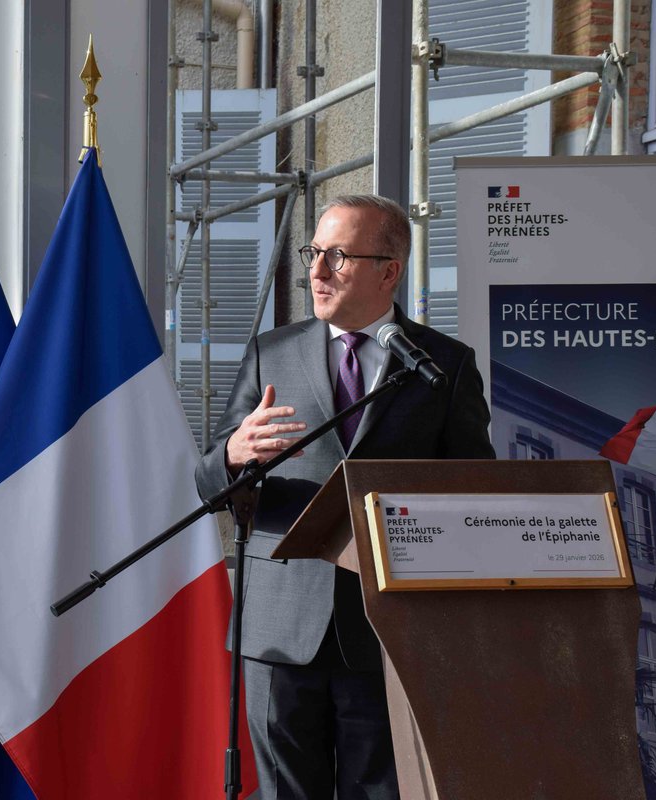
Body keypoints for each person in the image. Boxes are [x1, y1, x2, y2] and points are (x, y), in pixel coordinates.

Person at [195, 194, 495, 800]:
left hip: (389, 629)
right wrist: (232, 456)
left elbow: (474, 496)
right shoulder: (270, 353)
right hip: (280, 625)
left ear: (389, 270)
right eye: (314, 253)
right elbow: (210, 486)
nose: (316, 270)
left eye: (338, 255)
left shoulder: (445, 366)